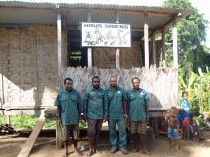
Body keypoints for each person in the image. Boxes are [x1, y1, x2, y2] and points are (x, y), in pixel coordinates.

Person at [54, 77, 83, 157]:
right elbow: (59, 107)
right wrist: (58, 118)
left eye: (71, 84)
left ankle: (75, 149)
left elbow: (79, 105)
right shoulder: (60, 94)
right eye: (68, 84)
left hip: (74, 118)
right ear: (65, 84)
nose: (69, 85)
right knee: (65, 136)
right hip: (65, 119)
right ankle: (66, 151)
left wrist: (79, 116)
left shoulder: (76, 93)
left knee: (76, 135)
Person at [83, 76, 108, 157]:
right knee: (90, 132)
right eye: (95, 82)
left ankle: (95, 148)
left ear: (99, 82)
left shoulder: (103, 92)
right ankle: (91, 149)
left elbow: (105, 103)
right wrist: (85, 114)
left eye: (97, 82)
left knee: (97, 132)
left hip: (100, 115)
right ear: (92, 82)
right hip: (91, 115)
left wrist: (105, 114)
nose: (96, 83)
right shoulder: (89, 91)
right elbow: (85, 103)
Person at [126, 77, 151, 155]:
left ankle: (144, 149)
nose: (136, 84)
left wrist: (147, 115)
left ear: (139, 83)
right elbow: (127, 105)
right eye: (134, 83)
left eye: (137, 82)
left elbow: (146, 104)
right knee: (134, 133)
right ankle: (136, 147)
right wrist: (128, 115)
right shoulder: (129, 93)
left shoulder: (143, 92)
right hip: (132, 116)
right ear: (132, 84)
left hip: (142, 116)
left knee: (143, 133)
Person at [105, 76, 128, 155]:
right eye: (112, 81)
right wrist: (106, 114)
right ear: (110, 82)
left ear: (116, 82)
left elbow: (124, 102)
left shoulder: (121, 91)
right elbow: (106, 103)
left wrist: (125, 113)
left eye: (114, 81)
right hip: (111, 115)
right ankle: (114, 145)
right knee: (112, 131)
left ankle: (122, 147)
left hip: (120, 114)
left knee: (122, 130)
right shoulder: (107, 91)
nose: (113, 82)